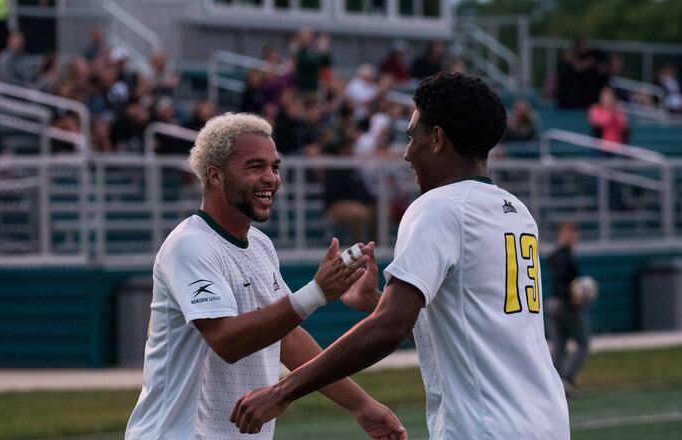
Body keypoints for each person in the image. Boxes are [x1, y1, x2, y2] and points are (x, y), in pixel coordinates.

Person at [230, 73, 570, 439]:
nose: (407, 153)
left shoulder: (438, 207)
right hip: (546, 418)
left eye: (412, 136)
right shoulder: (517, 211)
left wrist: (283, 391)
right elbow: (475, 328)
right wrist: (376, 301)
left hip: (487, 427)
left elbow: (388, 328)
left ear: (437, 139)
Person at [125, 113, 405, 440]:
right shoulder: (189, 245)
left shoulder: (259, 243)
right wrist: (316, 292)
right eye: (255, 167)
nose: (271, 178)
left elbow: (285, 337)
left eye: (275, 166)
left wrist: (360, 404)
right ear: (215, 176)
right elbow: (226, 341)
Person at [547, 221, 590, 398]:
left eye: (573, 233)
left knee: (560, 345)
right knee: (583, 343)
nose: (571, 236)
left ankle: (553, 384)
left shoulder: (561, 255)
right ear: (560, 235)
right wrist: (576, 296)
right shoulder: (562, 256)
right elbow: (563, 284)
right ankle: (566, 378)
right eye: (567, 233)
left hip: (555, 304)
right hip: (564, 305)